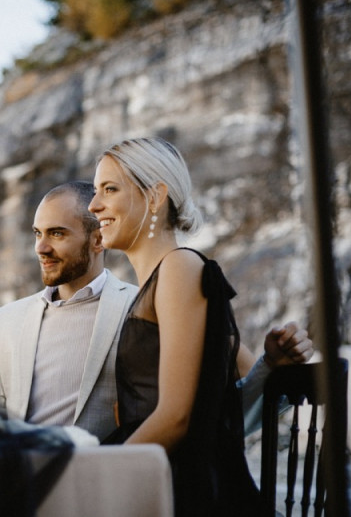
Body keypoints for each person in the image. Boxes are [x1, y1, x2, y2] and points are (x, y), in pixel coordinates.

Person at [0, 181, 311, 444]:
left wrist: (271, 367)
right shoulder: (7, 319)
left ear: (98, 240)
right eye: (38, 234)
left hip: (108, 493)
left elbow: (220, 411)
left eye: (57, 234)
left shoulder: (150, 308)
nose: (41, 247)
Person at [88, 137, 270, 515]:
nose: (94, 206)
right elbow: (248, 376)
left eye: (110, 189)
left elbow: (176, 417)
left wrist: (94, 478)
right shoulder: (165, 278)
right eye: (95, 191)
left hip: (185, 492)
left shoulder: (178, 268)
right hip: (162, 476)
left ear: (155, 196)